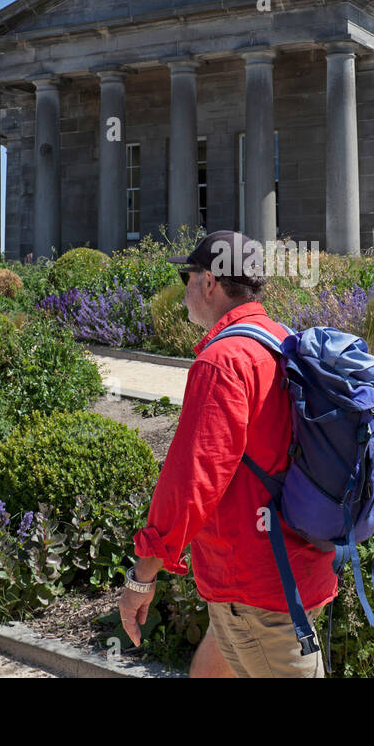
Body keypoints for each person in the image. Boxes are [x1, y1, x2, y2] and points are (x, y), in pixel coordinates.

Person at [118, 230, 337, 678]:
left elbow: (191, 482)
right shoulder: (282, 341)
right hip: (297, 564)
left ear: (210, 282)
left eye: (187, 275)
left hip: (257, 587)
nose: (184, 289)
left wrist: (141, 575)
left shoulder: (224, 361)